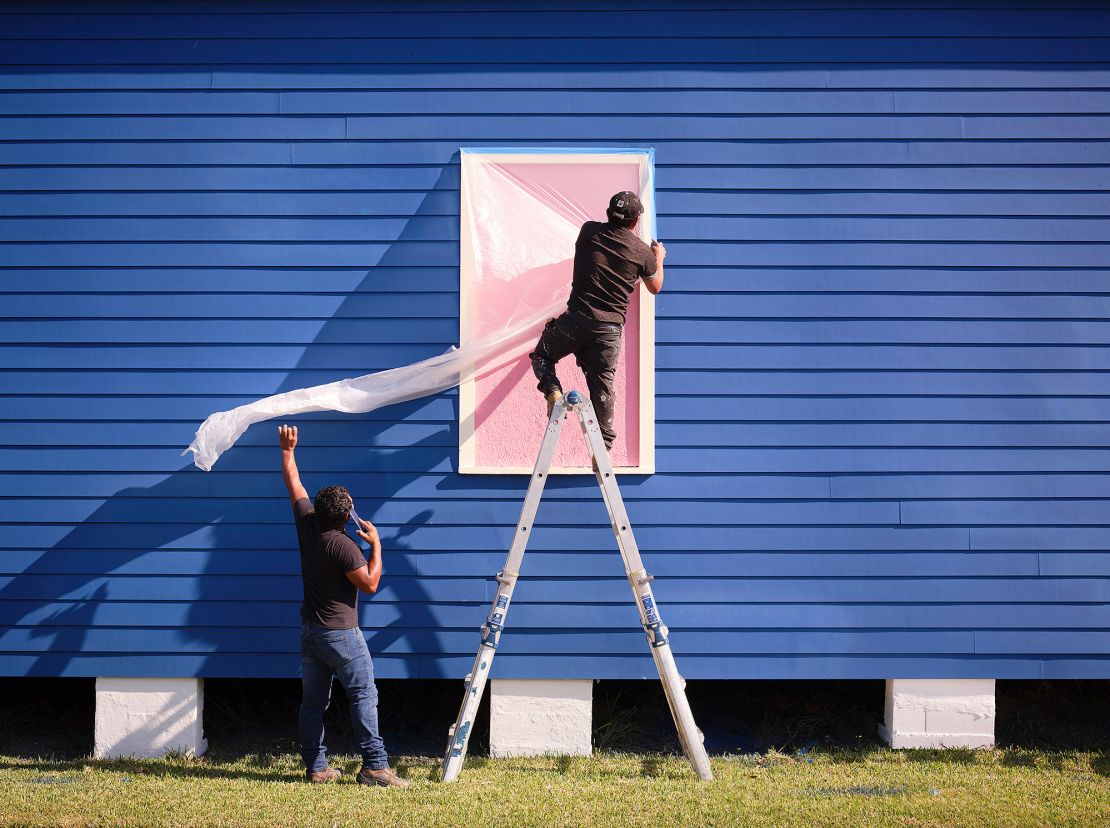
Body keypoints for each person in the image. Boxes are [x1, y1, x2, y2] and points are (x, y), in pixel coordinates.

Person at [278, 423, 410, 788]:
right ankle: (374, 767)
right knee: (364, 695)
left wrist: (288, 450)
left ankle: (317, 768)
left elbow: (295, 483)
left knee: (313, 703)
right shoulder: (345, 546)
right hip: (341, 635)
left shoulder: (306, 522)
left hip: (310, 632)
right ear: (344, 518)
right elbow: (369, 584)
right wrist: (377, 545)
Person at [529, 190, 666, 452]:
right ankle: (601, 448)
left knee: (542, 356)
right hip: (608, 330)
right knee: (602, 389)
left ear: (607, 214)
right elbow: (655, 286)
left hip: (576, 320)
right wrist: (658, 257)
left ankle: (552, 390)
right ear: (636, 221)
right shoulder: (641, 252)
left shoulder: (589, 231)